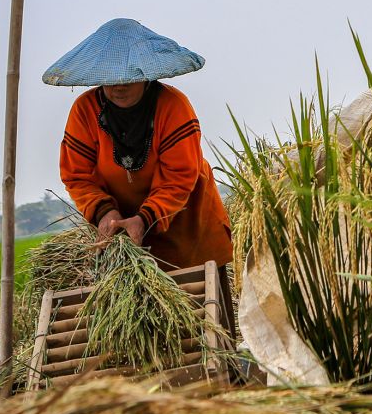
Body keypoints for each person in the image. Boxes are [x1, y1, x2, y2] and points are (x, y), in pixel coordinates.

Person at [44, 18, 232, 270]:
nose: (119, 86)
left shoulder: (174, 107)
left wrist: (145, 218)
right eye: (111, 78)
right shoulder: (84, 111)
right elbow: (77, 176)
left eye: (128, 76)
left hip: (188, 225)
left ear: (146, 74)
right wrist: (106, 214)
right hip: (124, 233)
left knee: (203, 301)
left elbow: (179, 178)